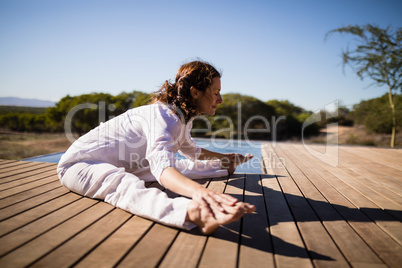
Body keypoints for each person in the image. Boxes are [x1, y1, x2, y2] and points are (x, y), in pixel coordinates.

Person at [57, 60, 255, 234]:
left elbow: (192, 152)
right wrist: (201, 193)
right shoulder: (162, 117)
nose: (220, 99)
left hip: (127, 165)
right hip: (80, 165)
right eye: (216, 92)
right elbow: (162, 168)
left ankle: (224, 167)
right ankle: (193, 213)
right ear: (195, 92)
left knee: (178, 166)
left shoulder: (184, 118)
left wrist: (223, 158)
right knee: (123, 184)